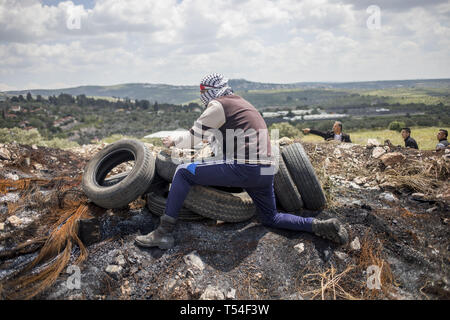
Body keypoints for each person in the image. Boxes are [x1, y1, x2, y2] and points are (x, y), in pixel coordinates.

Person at [135, 73, 348, 249]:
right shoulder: (243, 104)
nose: (202, 96)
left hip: (245, 167)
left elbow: (193, 138)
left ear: (211, 91)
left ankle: (163, 233)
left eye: (203, 91)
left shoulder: (218, 106)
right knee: (271, 218)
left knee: (182, 172)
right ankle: (318, 225)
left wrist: (173, 140)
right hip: (266, 170)